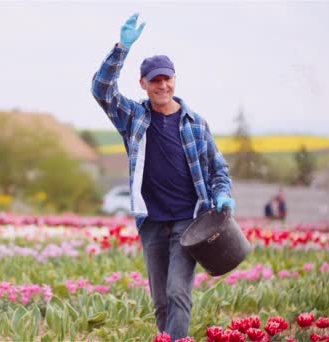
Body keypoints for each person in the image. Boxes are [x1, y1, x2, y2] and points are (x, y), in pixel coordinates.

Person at [91, 13, 235, 340]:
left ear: (175, 80)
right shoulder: (133, 118)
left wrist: (222, 192)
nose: (162, 85)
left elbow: (218, 169)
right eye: (155, 80)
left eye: (167, 79)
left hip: (190, 222)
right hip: (152, 221)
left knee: (177, 292)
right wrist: (121, 48)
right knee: (160, 302)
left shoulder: (195, 123)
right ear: (143, 83)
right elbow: (101, 90)